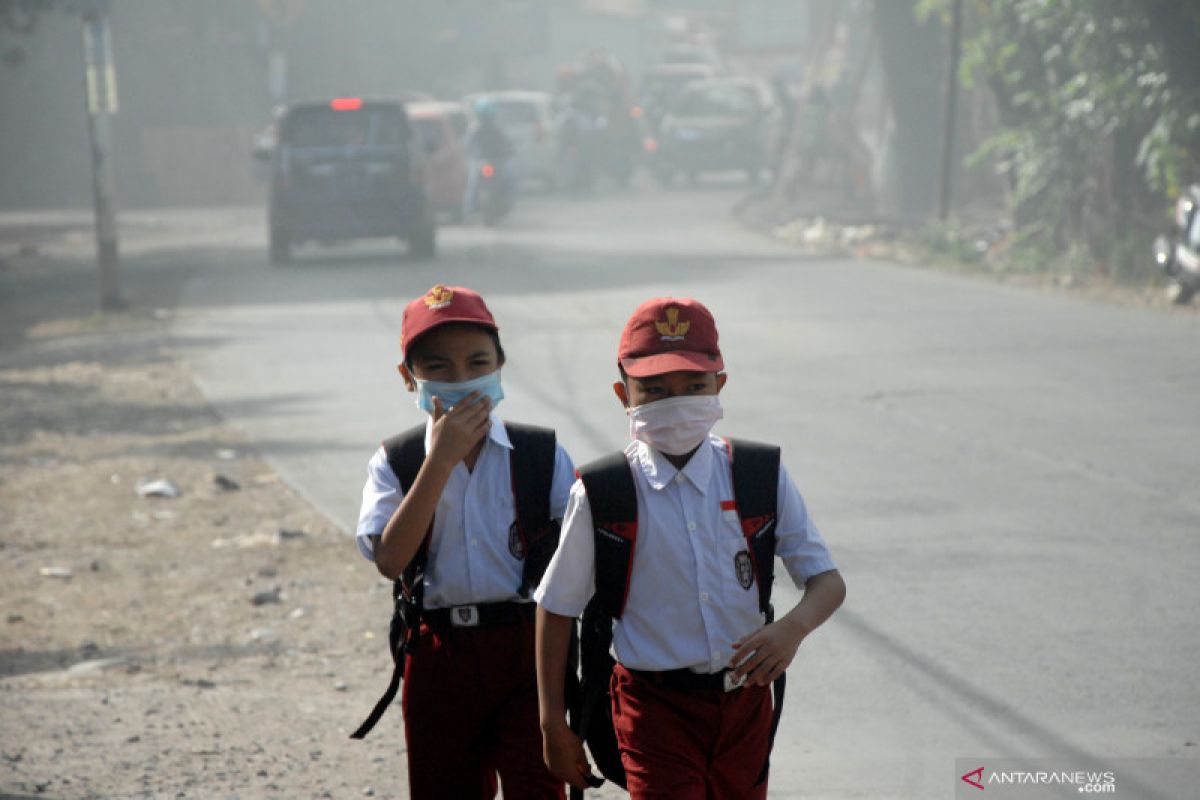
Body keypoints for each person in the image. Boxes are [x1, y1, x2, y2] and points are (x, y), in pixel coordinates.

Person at [534, 296, 846, 799]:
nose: (675, 404)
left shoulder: (757, 475)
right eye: (654, 390)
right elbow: (556, 606)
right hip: (653, 706)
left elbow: (827, 581)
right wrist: (552, 721)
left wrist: (792, 629)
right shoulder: (603, 491)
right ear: (623, 394)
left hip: (744, 703)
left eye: (693, 387)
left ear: (719, 386)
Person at [355, 284, 574, 799]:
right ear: (409, 378)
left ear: (500, 365)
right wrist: (442, 459)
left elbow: (578, 557)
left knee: (539, 788)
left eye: (478, 362)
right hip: (438, 650)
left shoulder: (540, 453)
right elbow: (390, 559)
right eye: (438, 368)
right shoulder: (397, 461)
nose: (461, 380)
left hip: (526, 646)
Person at [463, 97, 515, 220]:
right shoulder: (478, 129)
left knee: (473, 184)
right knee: (473, 184)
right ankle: (468, 212)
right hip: (486, 162)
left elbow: (467, 145)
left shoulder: (482, 129)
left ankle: (468, 212)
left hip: (490, 162)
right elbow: (468, 145)